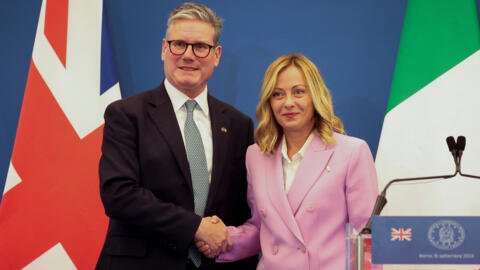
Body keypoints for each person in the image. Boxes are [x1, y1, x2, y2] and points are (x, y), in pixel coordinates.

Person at [96, 3, 258, 270]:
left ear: (216, 55)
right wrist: (195, 228)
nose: (188, 55)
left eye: (200, 47)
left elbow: (243, 208)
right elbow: (118, 194)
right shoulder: (126, 114)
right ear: (163, 49)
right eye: (179, 44)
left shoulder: (239, 124)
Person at [197, 53, 379, 269]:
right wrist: (223, 239)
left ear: (315, 96)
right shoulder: (255, 156)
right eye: (278, 94)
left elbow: (368, 237)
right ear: (269, 102)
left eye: (299, 92)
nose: (288, 103)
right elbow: (261, 228)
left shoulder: (352, 152)